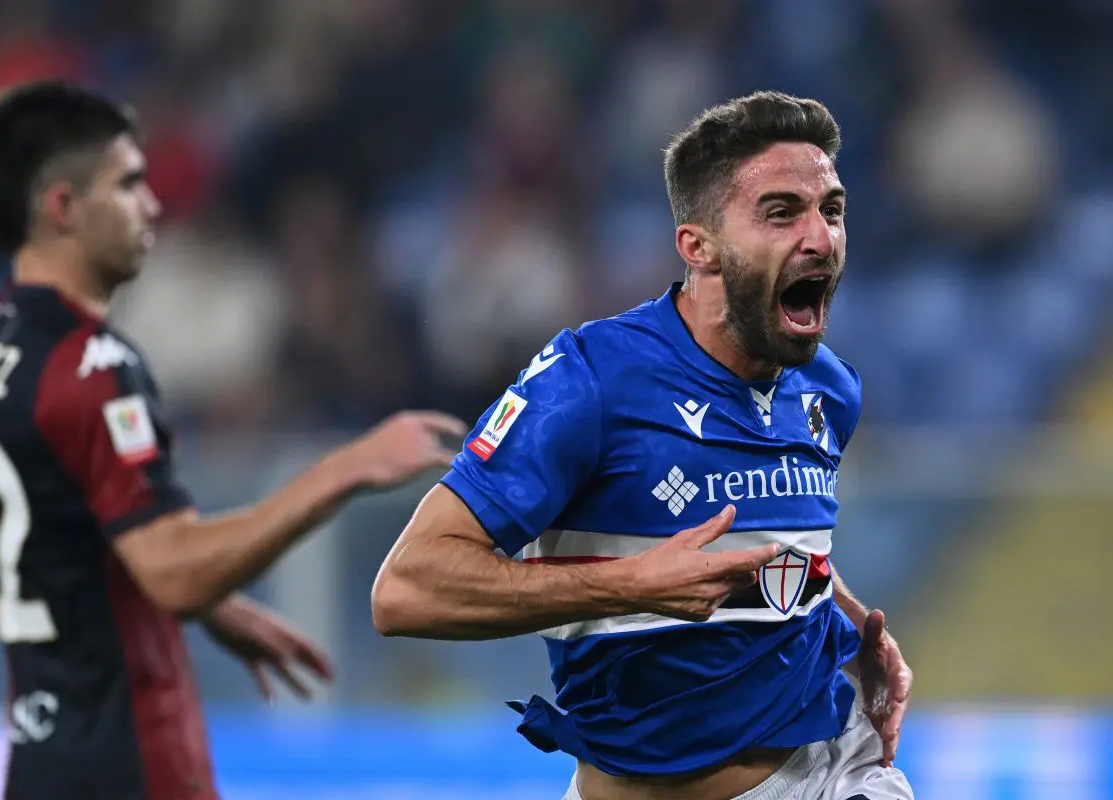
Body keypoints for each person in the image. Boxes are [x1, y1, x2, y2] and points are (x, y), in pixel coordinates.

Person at [372, 91, 914, 800]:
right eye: (781, 213)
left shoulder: (827, 387)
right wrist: (626, 585)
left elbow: (776, 540)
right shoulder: (589, 382)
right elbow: (406, 589)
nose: (821, 238)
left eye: (831, 210)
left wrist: (851, 623)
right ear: (698, 246)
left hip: (827, 774)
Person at [0, 80, 464, 800]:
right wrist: (346, 468)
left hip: (43, 755)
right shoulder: (93, 367)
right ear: (62, 208)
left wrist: (210, 606)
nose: (151, 206)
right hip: (130, 757)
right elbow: (176, 571)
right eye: (128, 185)